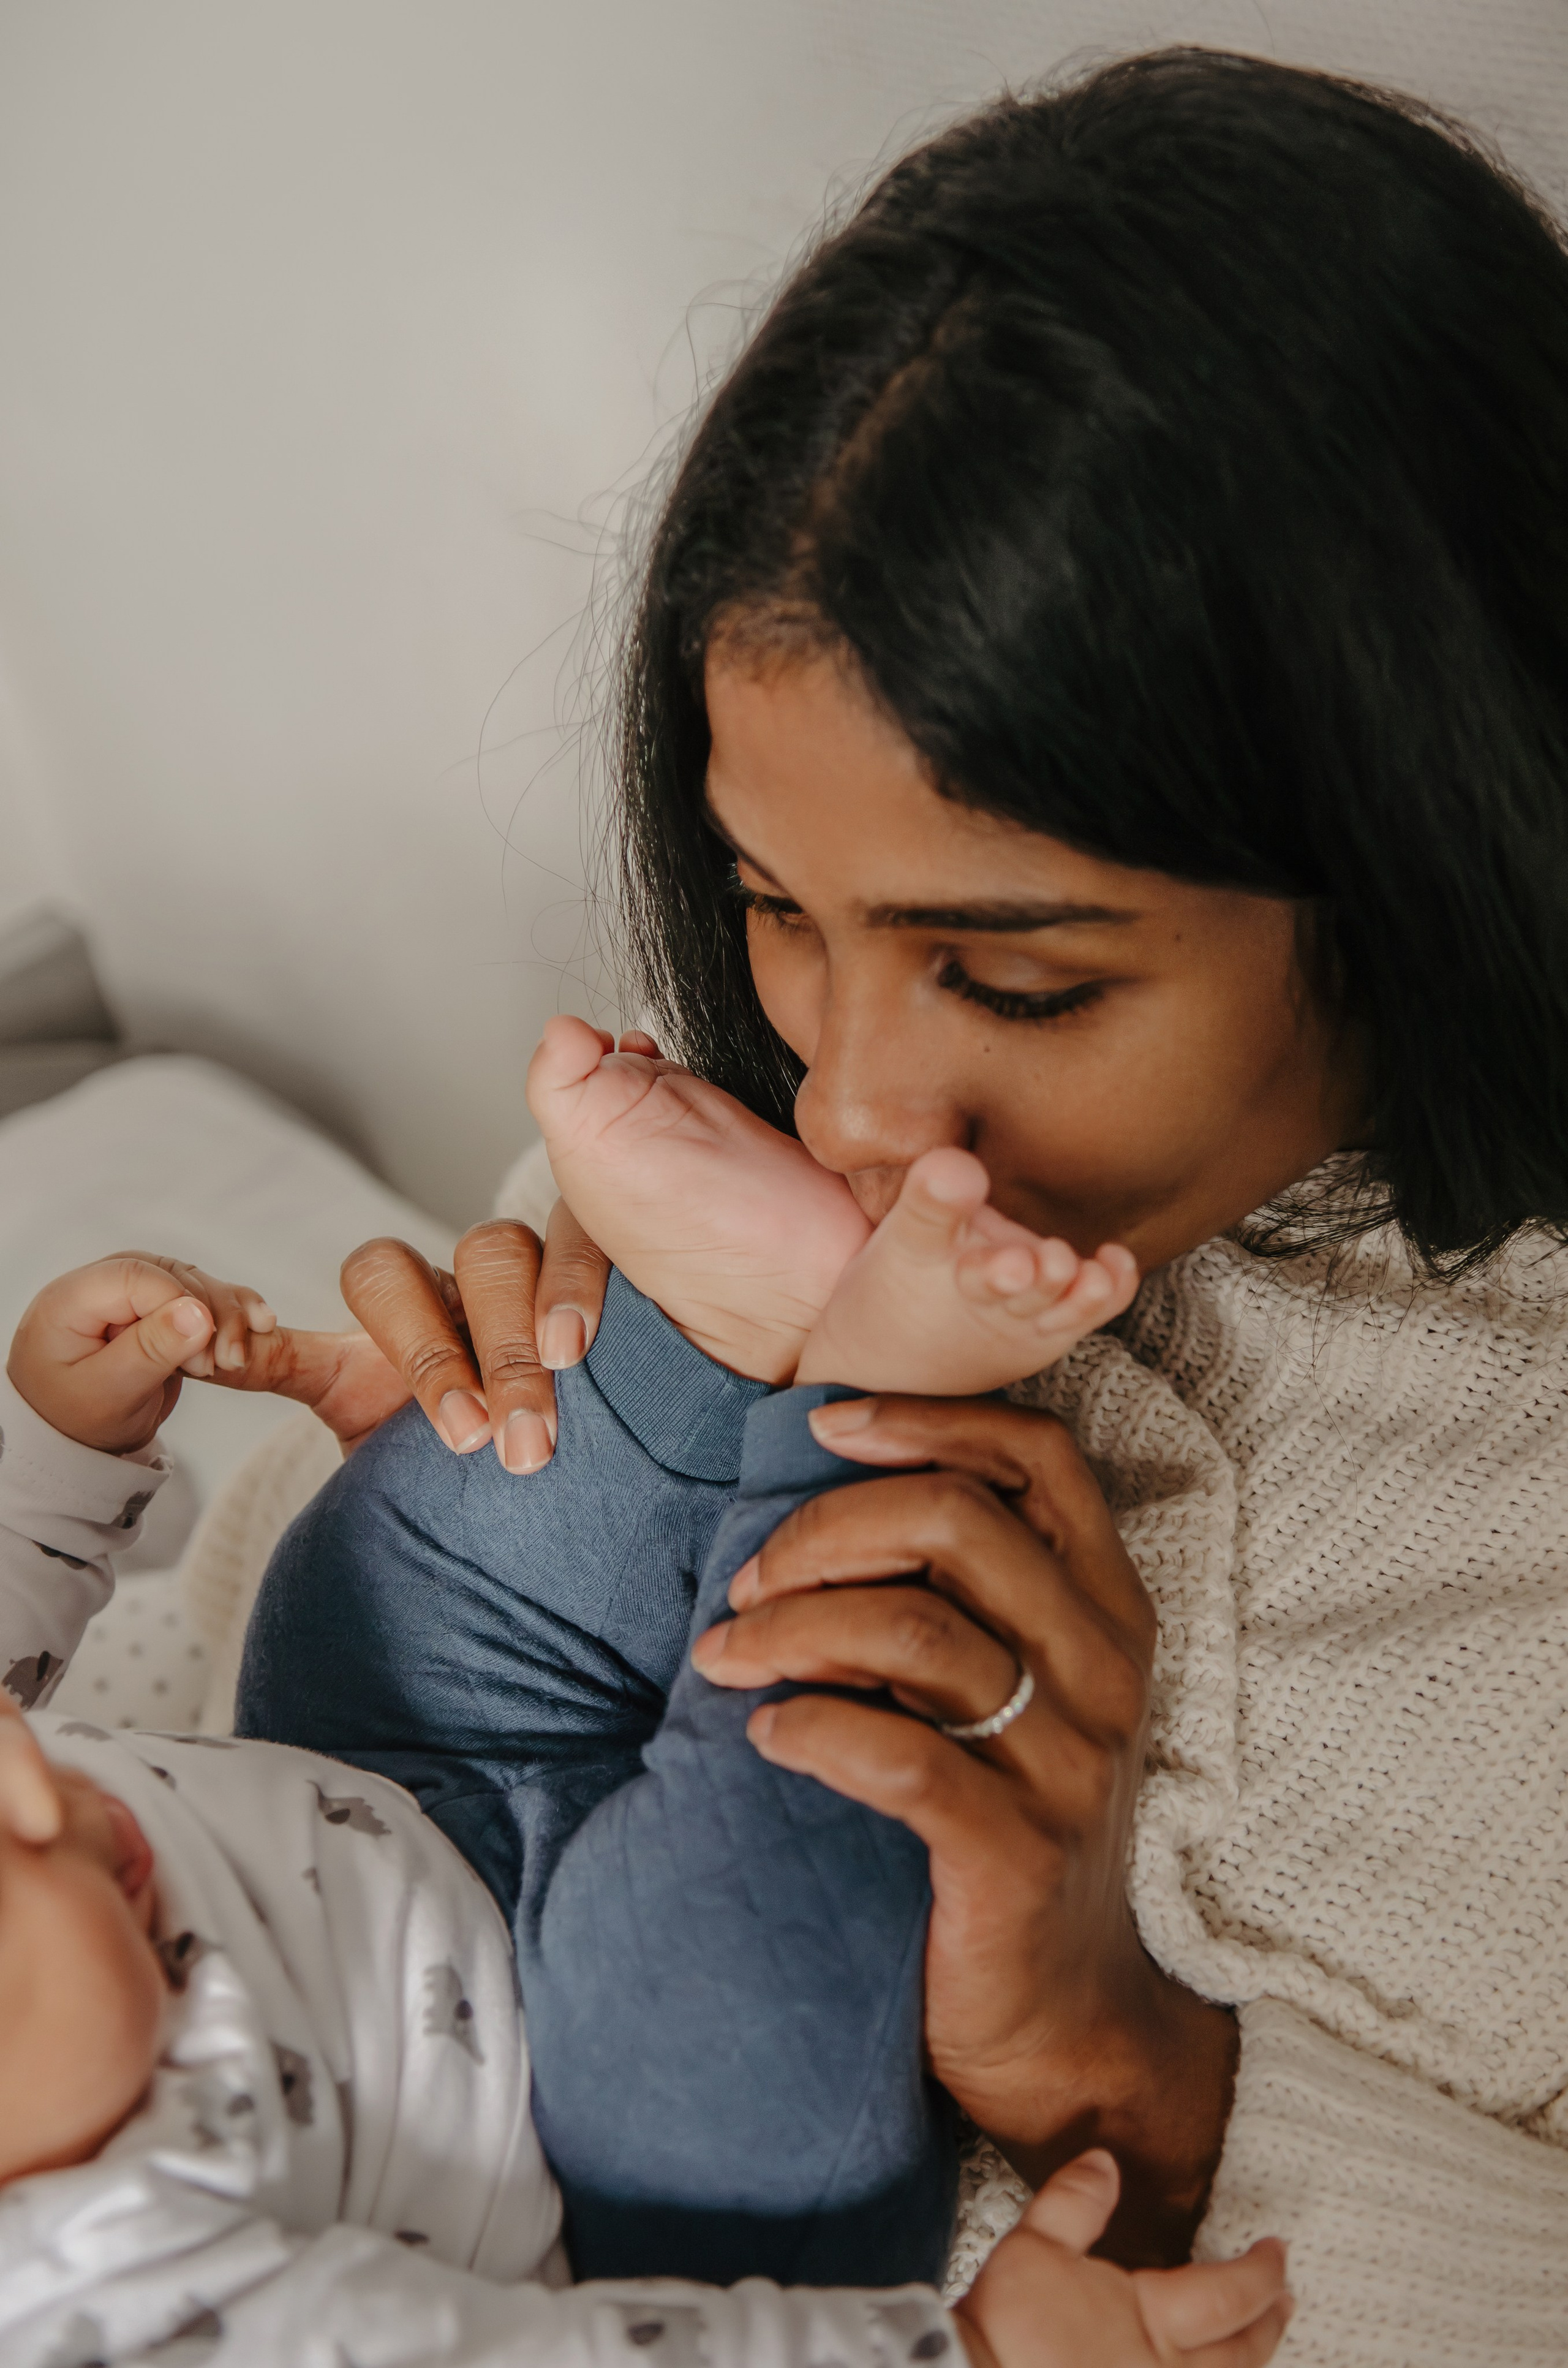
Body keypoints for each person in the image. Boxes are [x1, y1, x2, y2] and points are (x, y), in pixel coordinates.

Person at [228, 48, 1568, 2364]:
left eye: (1019, 976)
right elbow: (202, 1788)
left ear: (1435, 841)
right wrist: (405, 1472)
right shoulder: (722, 1158)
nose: (848, 1101)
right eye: (770, 902)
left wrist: (1127, 2080)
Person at [0, 1252, 1291, 2368]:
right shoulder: (102, 2306)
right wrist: (973, 2352)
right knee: (728, 1952)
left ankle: (723, 1313)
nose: (39, 1786)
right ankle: (860, 1390)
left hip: (371, 1772)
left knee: (374, 1567)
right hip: (586, 2131)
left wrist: (54, 1450)